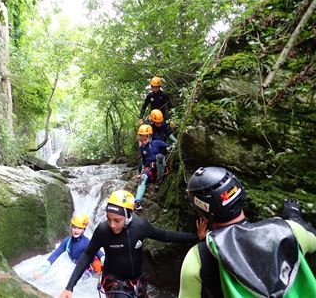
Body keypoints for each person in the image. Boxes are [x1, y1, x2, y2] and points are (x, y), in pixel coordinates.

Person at [179, 166, 316, 298]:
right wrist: (293, 214)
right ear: (240, 192)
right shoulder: (291, 230)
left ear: (204, 214)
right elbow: (312, 236)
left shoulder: (197, 258)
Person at [58, 190, 207, 298]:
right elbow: (87, 255)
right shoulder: (103, 231)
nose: (112, 225)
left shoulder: (140, 227)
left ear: (128, 216)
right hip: (113, 281)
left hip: (137, 280)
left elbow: (165, 235)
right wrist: (70, 287)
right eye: (109, 219)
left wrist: (196, 237)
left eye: (117, 220)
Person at [33, 213, 104, 279]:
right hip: (83, 270)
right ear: (71, 227)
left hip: (95, 268)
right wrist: (42, 270)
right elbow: (54, 255)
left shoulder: (86, 242)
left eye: (79, 228)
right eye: (74, 227)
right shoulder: (67, 242)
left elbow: (100, 254)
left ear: (84, 229)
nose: (76, 230)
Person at [134, 124, 170, 210]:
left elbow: (168, 146)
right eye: (141, 140)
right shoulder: (142, 149)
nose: (143, 142)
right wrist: (141, 173)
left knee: (160, 157)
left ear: (150, 136)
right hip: (149, 168)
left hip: (159, 166)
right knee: (143, 178)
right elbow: (143, 161)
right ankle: (137, 202)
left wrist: (171, 146)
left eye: (145, 140)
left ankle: (159, 180)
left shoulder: (157, 143)